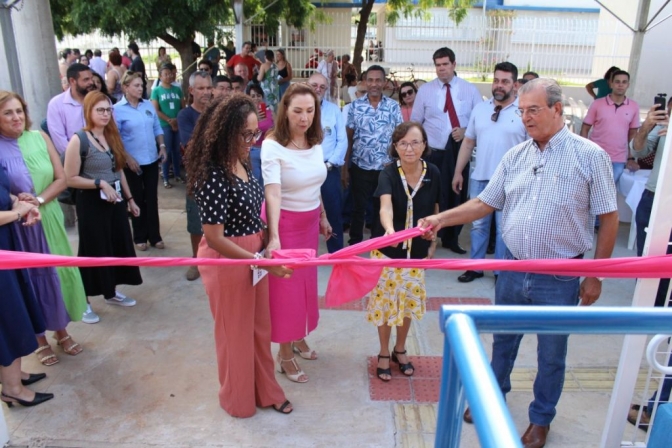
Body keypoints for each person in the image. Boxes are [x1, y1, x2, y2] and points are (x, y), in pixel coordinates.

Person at [419, 78, 619, 448]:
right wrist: (440, 219)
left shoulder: (590, 155)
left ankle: (540, 419)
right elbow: (485, 203)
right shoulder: (517, 156)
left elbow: (608, 217)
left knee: (551, 354)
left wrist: (595, 275)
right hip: (511, 267)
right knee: (503, 341)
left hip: (559, 275)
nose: (525, 118)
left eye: (534, 110)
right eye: (522, 110)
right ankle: (491, 396)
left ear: (557, 110)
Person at [185, 93, 294, 417]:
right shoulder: (213, 174)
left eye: (255, 132)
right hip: (228, 260)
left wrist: (267, 243)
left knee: (260, 329)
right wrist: (259, 261)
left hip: (254, 255)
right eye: (246, 134)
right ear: (224, 132)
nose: (253, 140)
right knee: (235, 334)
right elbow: (214, 238)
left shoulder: (243, 159)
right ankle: (238, 398)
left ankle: (266, 390)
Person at [0, 91, 87, 361]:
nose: (16, 117)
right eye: (8, 113)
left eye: (19, 111)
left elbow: (62, 178)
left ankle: (61, 331)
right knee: (31, 279)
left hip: (47, 216)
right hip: (19, 226)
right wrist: (21, 205)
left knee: (57, 274)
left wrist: (37, 200)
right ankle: (39, 337)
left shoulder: (40, 137)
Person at [262, 83, 333, 383]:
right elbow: (273, 192)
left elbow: (315, 184)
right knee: (286, 293)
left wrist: (323, 216)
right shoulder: (272, 144)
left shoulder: (316, 141)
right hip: (284, 224)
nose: (304, 118)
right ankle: (284, 353)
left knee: (306, 286)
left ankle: (299, 336)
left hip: (308, 223)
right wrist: (275, 236)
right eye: (297, 111)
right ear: (285, 111)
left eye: (309, 111)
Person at [368, 122, 440, 382]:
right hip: (388, 252)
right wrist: (389, 229)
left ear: (424, 145)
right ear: (395, 147)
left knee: (407, 303)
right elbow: (384, 206)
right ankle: (384, 352)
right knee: (386, 304)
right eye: (403, 143)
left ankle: (401, 349)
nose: (409, 148)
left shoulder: (432, 172)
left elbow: (435, 208)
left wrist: (433, 240)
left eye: (415, 142)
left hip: (417, 252)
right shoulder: (388, 173)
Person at [63, 91, 142, 311]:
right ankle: (84, 301)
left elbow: (119, 171)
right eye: (100, 110)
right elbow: (70, 178)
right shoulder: (79, 140)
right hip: (91, 204)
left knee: (115, 245)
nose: (105, 114)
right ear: (88, 111)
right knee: (92, 249)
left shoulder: (111, 136)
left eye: (108, 109)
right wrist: (99, 183)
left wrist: (130, 199)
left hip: (114, 201)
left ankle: (110, 290)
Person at [452, 62, 528, 283]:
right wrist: (459, 172)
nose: (499, 85)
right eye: (496, 80)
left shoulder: (523, 113)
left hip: (510, 180)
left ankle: (500, 271)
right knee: (478, 225)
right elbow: (468, 143)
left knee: (504, 227)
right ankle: (475, 267)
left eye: (505, 81)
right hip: (480, 178)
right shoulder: (481, 109)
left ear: (515, 85)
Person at [627, 97, 672, 430]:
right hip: (655, 203)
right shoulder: (661, 128)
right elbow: (639, 153)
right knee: (651, 279)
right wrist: (647, 127)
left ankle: (657, 410)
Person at [410, 47, 482, 254]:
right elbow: (416, 122)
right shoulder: (425, 91)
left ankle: (452, 238)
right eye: (438, 65)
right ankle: (425, 236)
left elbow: (481, 121)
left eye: (445, 64)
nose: (441, 69)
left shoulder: (470, 90)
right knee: (430, 195)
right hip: (432, 152)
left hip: (459, 153)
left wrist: (466, 130)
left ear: (454, 64)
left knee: (455, 195)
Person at [0, 163, 53, 408]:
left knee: (15, 312)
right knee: (8, 319)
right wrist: (19, 212)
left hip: (7, 246)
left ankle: (12, 376)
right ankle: (12, 389)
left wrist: (17, 201)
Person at [345, 65, 403, 246]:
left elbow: (399, 137)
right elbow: (349, 138)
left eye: (378, 80)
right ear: (364, 82)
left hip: (385, 168)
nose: (374, 84)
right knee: (358, 207)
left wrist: (396, 163)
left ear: (385, 82)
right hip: (360, 166)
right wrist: (345, 168)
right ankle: (355, 243)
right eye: (370, 80)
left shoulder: (393, 107)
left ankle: (377, 243)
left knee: (382, 207)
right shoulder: (355, 106)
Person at [115, 72, 167, 251]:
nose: (140, 89)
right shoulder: (117, 109)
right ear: (125, 87)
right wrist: (127, 158)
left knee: (151, 198)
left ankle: (155, 236)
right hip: (132, 162)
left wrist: (162, 146)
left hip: (151, 159)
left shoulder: (147, 106)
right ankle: (139, 237)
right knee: (136, 199)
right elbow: (116, 138)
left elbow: (156, 127)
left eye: (141, 85)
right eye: (136, 85)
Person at [177, 71, 213, 281]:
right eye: (201, 88)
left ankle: (217, 258)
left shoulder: (218, 111)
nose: (206, 92)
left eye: (209, 88)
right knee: (196, 221)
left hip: (220, 174)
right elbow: (190, 145)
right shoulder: (185, 116)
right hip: (197, 176)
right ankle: (197, 260)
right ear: (191, 91)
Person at [308, 73, 347, 253]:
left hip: (328, 168)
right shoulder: (297, 108)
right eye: (314, 85)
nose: (318, 89)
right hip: (304, 168)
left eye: (322, 87)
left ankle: (336, 252)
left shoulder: (333, 110)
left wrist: (330, 164)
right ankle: (306, 252)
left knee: (333, 211)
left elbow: (342, 141)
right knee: (304, 212)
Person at [580, 70, 639, 188]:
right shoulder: (597, 104)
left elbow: (632, 134)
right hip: (596, 156)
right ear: (610, 84)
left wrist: (631, 157)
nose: (620, 85)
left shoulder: (633, 106)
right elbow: (585, 128)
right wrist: (582, 152)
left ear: (628, 85)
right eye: (617, 82)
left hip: (619, 158)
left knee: (609, 193)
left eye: (624, 82)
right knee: (590, 191)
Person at [47, 63, 96, 155]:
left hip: (101, 158)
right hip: (72, 160)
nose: (91, 82)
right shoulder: (56, 104)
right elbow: (60, 141)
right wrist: (77, 158)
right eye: (86, 79)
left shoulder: (101, 101)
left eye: (91, 78)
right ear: (72, 81)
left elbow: (112, 131)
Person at [150, 65, 185, 188]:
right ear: (160, 76)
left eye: (170, 74)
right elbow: (155, 110)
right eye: (165, 74)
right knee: (167, 151)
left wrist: (177, 120)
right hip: (164, 125)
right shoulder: (156, 91)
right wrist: (170, 120)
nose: (169, 76)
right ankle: (165, 177)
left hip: (177, 125)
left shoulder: (177, 90)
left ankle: (177, 174)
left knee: (177, 151)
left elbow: (182, 107)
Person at [246, 84, 274, 185]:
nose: (256, 98)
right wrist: (255, 119)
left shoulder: (270, 112)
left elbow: (275, 130)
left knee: (267, 182)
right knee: (255, 182)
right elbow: (246, 133)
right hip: (253, 150)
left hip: (267, 151)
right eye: (252, 96)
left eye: (258, 95)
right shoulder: (246, 114)